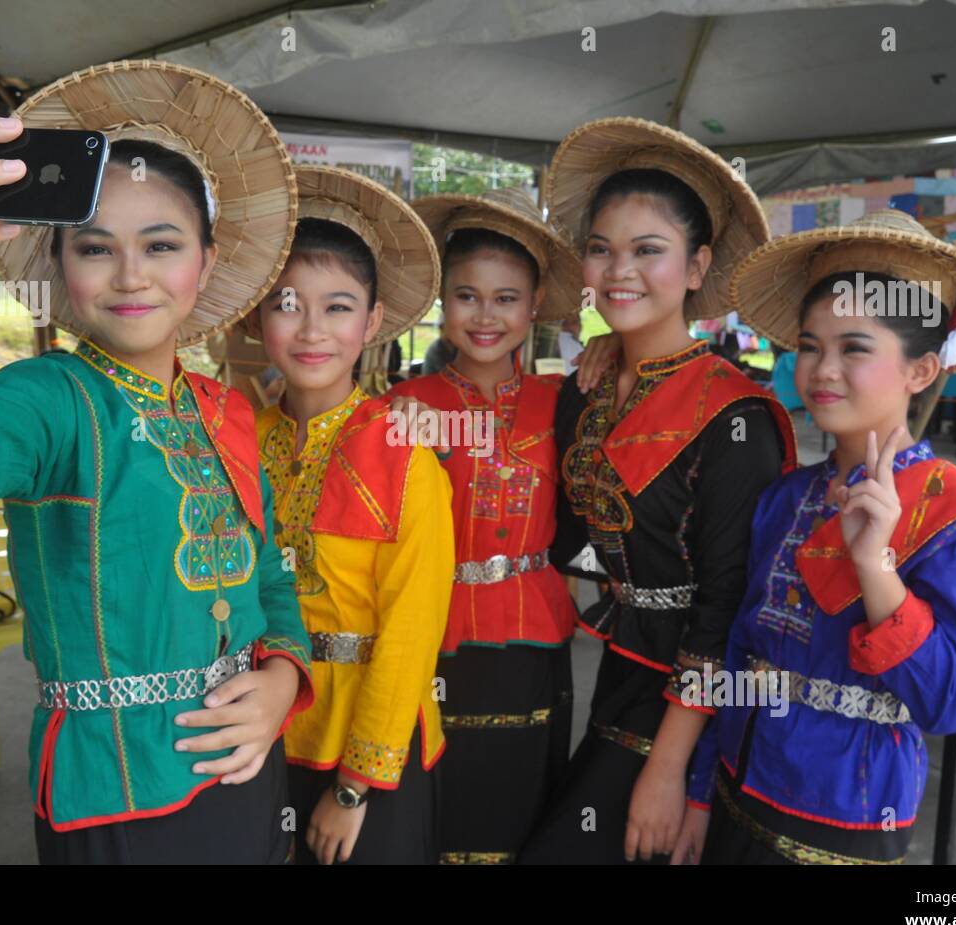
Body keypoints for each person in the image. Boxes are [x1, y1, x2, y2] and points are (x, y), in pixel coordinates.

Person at [0, 60, 313, 864]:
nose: (130, 273)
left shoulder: (226, 408)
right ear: (61, 265)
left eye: (161, 244)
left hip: (251, 768)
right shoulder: (54, 398)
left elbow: (270, 575)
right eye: (96, 248)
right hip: (118, 798)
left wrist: (283, 682)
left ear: (206, 255)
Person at [689, 210, 956, 864]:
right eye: (811, 345)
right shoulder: (785, 496)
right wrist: (700, 789)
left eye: (854, 347)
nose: (821, 368)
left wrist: (876, 568)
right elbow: (738, 651)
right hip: (738, 789)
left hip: (846, 819)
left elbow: (951, 703)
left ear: (921, 370)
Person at [518, 117, 797, 865]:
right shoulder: (586, 390)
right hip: (616, 680)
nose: (620, 271)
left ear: (698, 265)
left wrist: (672, 769)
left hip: (696, 715)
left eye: (649, 251)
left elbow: (727, 602)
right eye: (602, 249)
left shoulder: (736, 417)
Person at [249, 165, 455, 864]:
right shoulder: (243, 442)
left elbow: (411, 632)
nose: (312, 329)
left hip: (371, 751)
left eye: (337, 307)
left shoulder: (404, 453)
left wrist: (356, 786)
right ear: (257, 313)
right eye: (287, 303)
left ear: (371, 323)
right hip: (268, 729)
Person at [389, 188, 582, 863]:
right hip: (431, 634)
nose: (485, 314)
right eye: (467, 295)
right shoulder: (405, 404)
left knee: (522, 800)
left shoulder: (564, 404)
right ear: (444, 302)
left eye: (506, 298)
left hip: (535, 638)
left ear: (534, 306)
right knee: (438, 801)